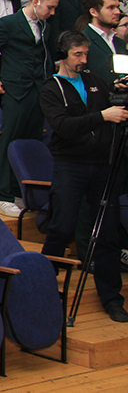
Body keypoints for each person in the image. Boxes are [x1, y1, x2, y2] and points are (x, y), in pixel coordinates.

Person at [39, 31, 128, 323]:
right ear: (63, 55)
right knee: (61, 226)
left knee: (108, 233)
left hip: (102, 164)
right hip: (70, 165)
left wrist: (118, 91)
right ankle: (43, 284)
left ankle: (112, 298)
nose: (83, 60)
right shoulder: (51, 88)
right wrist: (103, 116)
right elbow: (63, 126)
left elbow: (111, 102)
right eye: (77, 54)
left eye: (86, 54)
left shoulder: (93, 80)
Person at [0, 0, 59, 218]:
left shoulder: (45, 26)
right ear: (36, 2)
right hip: (16, 91)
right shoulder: (9, 23)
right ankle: (4, 195)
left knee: (31, 141)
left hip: (37, 91)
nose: (52, 13)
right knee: (9, 141)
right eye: (49, 7)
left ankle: (22, 191)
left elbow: (44, 58)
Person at [78, 0, 128, 91]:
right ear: (94, 12)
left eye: (117, 7)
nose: (117, 12)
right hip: (96, 98)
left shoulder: (120, 42)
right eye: (111, 8)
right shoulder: (82, 40)